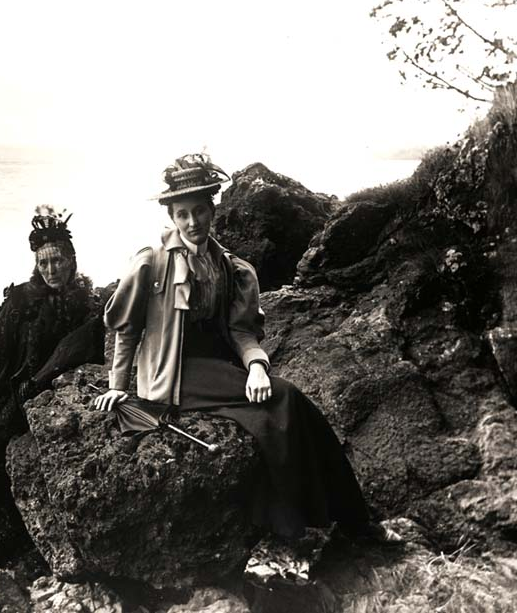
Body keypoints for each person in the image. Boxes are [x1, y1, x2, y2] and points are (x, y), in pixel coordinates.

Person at [93, 154, 384, 541]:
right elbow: (125, 328)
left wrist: (258, 367)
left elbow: (242, 332)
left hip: (216, 368)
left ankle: (321, 524)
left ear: (213, 210)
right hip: (172, 375)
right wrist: (117, 384)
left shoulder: (231, 267)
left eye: (199, 211)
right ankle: (345, 523)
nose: (192, 222)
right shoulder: (151, 263)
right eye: (182, 214)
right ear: (171, 217)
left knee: (267, 422)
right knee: (288, 397)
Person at [0, 206, 105, 572]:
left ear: (72, 260)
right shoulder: (20, 299)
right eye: (44, 263)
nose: (51, 270)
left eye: (58, 261)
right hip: (6, 391)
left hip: (45, 393)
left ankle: (16, 544)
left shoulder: (87, 305)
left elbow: (75, 353)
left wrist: (38, 388)